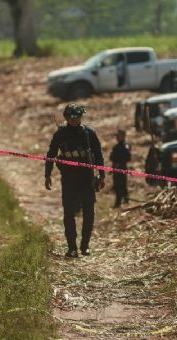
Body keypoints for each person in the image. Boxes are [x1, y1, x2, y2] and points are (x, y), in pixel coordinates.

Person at [45, 103, 105, 258]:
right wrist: (47, 175)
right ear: (66, 118)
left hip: (87, 178)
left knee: (89, 213)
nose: (74, 120)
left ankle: (85, 246)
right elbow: (51, 154)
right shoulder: (60, 134)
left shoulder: (89, 133)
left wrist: (102, 175)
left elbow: (99, 155)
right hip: (69, 179)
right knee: (69, 213)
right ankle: (72, 247)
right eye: (71, 118)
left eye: (77, 117)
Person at [109, 129, 131, 208]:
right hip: (116, 169)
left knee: (121, 186)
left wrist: (119, 163)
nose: (117, 137)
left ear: (123, 136)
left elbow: (128, 158)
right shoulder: (116, 147)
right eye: (117, 135)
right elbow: (112, 158)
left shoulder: (125, 146)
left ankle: (120, 202)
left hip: (122, 168)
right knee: (117, 185)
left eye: (119, 135)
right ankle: (123, 201)